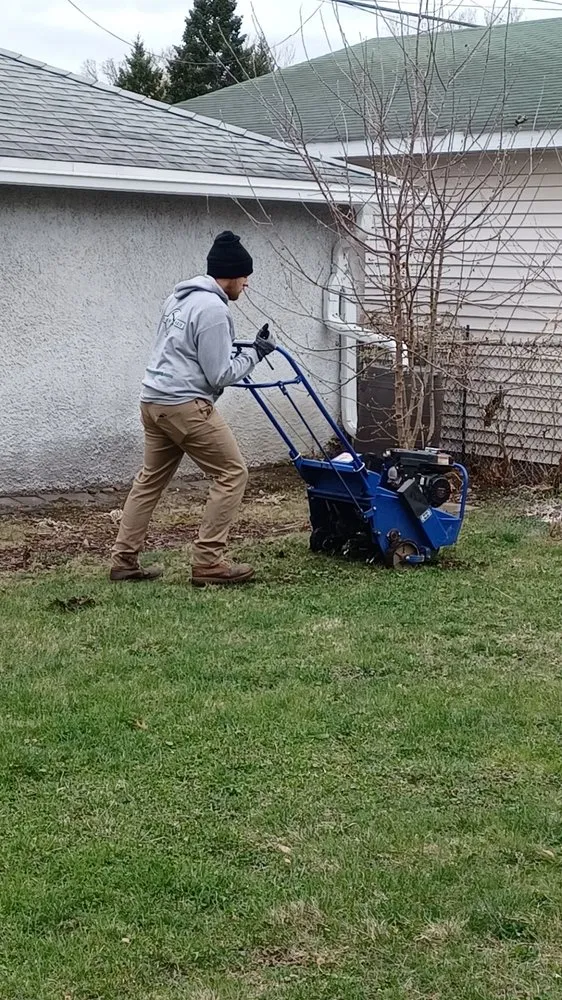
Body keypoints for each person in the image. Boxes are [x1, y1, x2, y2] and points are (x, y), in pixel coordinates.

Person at [110, 231, 275, 587]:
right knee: (233, 473)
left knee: (149, 481)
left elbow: (185, 353)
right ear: (230, 275)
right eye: (244, 277)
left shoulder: (178, 300)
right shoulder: (214, 309)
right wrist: (256, 353)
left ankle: (124, 560)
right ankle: (209, 563)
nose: (246, 285)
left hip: (153, 401)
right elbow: (219, 375)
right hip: (185, 405)